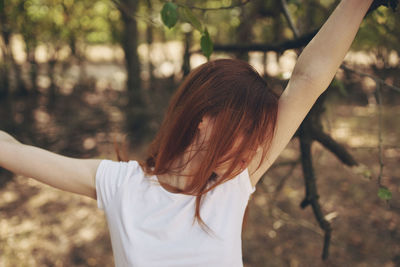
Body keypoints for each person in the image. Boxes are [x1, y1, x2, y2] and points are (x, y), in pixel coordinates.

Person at [0, 0, 375, 266]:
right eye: (246, 130)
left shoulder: (234, 183)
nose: (254, 148)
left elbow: (309, 78)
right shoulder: (121, 186)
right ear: (204, 118)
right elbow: (15, 152)